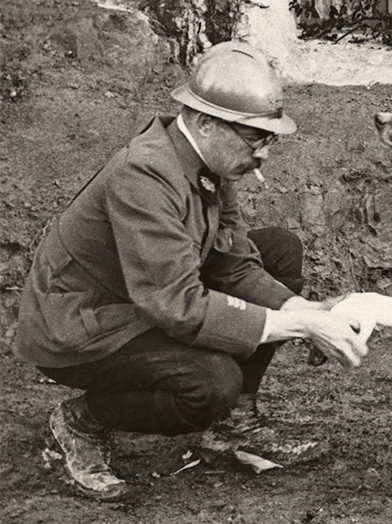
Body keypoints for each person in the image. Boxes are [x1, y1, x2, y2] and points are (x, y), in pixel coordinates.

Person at [14, 41, 369, 501]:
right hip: (86, 324)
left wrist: (306, 309)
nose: (263, 155)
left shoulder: (211, 163)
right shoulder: (142, 172)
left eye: (269, 140)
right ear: (204, 121)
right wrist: (300, 324)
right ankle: (82, 419)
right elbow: (176, 304)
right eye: (255, 138)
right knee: (212, 383)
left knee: (278, 251)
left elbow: (236, 262)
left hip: (143, 299)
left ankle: (233, 428)